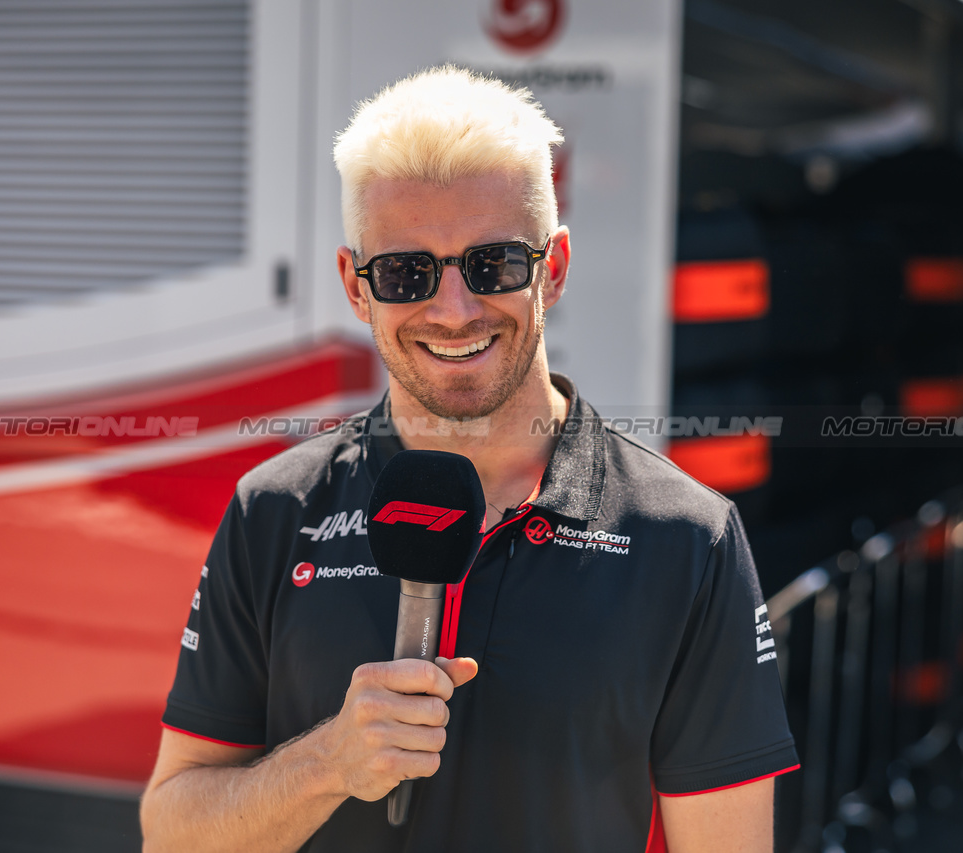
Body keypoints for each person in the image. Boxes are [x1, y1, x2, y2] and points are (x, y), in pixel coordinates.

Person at [140, 65, 798, 853]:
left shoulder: (688, 538)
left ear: (551, 269)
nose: (453, 310)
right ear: (356, 287)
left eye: (493, 264)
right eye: (406, 272)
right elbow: (172, 835)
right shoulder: (273, 509)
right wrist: (328, 760)